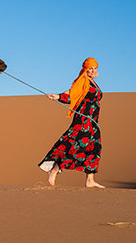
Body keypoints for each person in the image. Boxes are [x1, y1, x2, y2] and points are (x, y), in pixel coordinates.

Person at [38, 57, 105, 188]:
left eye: (95, 68)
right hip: (82, 120)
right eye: (90, 68)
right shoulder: (82, 81)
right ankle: (54, 169)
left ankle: (90, 179)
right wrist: (57, 96)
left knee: (94, 148)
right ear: (85, 69)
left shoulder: (94, 83)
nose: (92, 71)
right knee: (73, 145)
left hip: (93, 122)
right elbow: (71, 94)